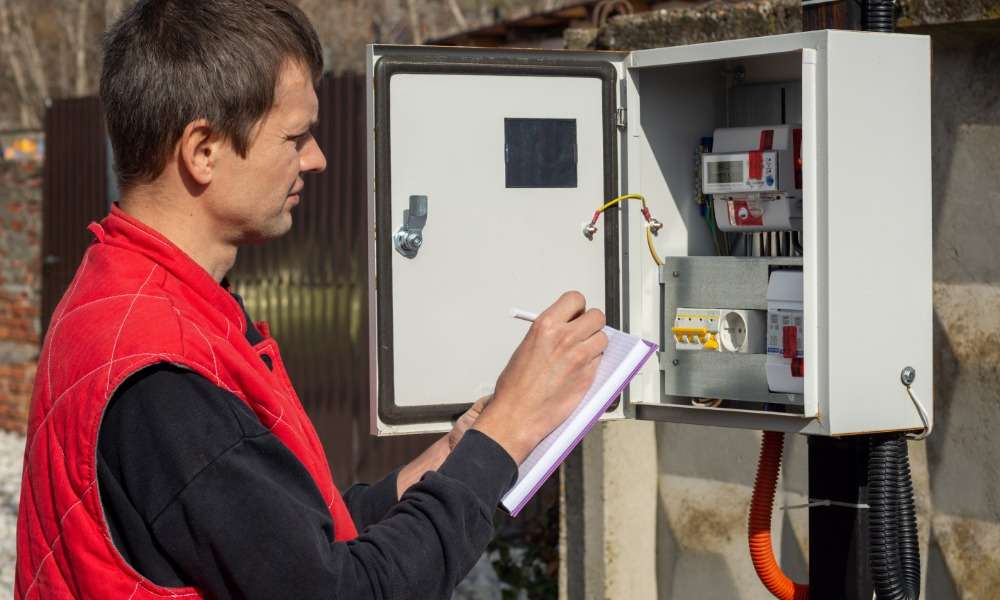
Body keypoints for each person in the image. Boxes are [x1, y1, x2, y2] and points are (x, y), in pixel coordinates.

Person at [13, 1, 608, 598]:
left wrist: (455, 456)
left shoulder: (124, 296)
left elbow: (281, 543)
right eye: (294, 137)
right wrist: (506, 432)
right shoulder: (163, 375)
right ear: (203, 150)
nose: (316, 158)